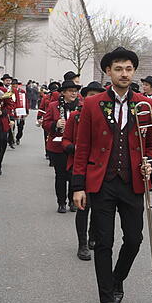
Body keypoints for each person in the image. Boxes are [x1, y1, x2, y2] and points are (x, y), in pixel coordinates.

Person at [72, 47, 152, 303]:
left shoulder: (145, 103)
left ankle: (117, 280)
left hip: (133, 181)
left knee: (134, 239)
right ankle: (106, 300)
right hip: (102, 182)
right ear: (108, 72)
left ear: (134, 72)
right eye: (118, 69)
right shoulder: (92, 103)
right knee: (104, 243)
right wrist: (78, 186)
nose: (124, 74)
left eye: (129, 69)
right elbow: (82, 147)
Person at [63, 81, 104, 260]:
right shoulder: (75, 116)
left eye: (96, 95)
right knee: (83, 207)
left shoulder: (107, 117)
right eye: (90, 95)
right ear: (84, 98)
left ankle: (94, 236)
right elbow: (64, 141)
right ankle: (82, 244)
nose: (93, 98)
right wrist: (75, 147)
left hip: (100, 168)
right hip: (80, 168)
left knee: (98, 207)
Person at [43, 79, 81, 213]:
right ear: (63, 93)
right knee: (60, 175)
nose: (74, 93)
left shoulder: (81, 106)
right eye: (71, 91)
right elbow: (45, 124)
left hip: (74, 146)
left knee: (73, 175)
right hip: (57, 146)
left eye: (76, 91)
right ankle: (61, 202)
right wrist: (55, 124)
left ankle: (72, 201)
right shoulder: (54, 106)